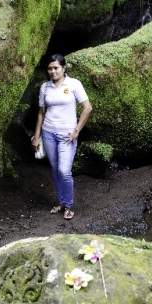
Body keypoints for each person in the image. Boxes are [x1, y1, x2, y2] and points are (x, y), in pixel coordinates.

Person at [31, 54, 92, 220]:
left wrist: (77, 131)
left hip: (67, 136)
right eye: (50, 68)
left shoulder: (73, 84)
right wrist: (36, 137)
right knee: (56, 170)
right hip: (48, 133)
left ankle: (69, 205)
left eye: (56, 68)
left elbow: (87, 108)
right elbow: (40, 114)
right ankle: (62, 203)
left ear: (64, 68)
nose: (53, 71)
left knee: (64, 171)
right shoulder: (45, 87)